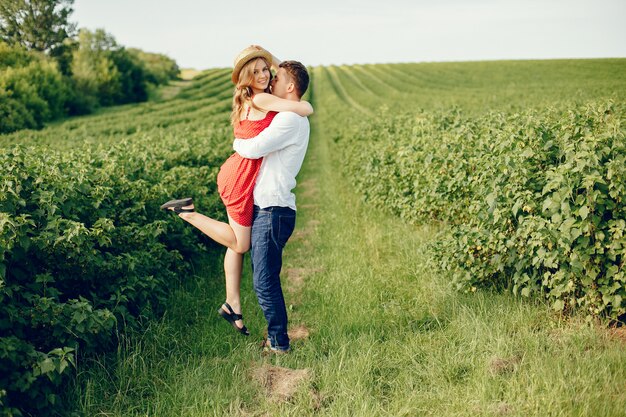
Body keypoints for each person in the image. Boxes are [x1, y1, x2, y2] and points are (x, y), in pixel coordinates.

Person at [161, 46, 313, 336]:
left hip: (239, 172)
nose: (266, 74)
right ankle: (187, 213)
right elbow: (298, 102)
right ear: (247, 77)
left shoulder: (255, 96)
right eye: (257, 71)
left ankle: (232, 303)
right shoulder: (264, 98)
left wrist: (262, 55)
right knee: (240, 244)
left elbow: (286, 73)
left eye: (267, 70)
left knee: (237, 244)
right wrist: (305, 105)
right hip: (240, 174)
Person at [232, 59, 311, 353]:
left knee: (264, 281)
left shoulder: (289, 120)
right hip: (273, 209)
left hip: (273, 210)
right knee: (266, 278)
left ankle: (279, 343)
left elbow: (253, 148)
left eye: (276, 77)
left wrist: (235, 141)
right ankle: (277, 338)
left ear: (290, 87)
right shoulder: (290, 115)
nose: (271, 80)